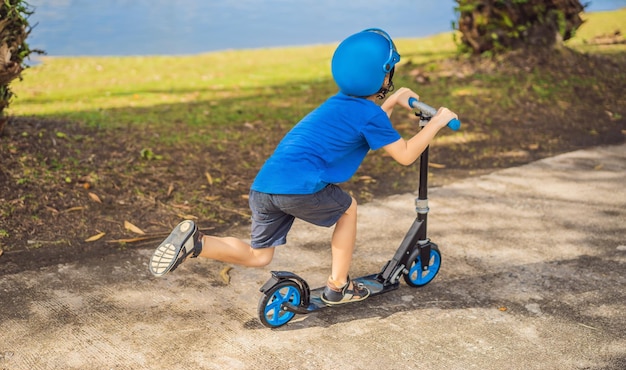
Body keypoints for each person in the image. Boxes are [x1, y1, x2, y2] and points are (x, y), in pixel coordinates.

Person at [149, 28, 457, 305]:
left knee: (259, 256)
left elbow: (368, 128)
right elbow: (404, 154)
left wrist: (390, 104)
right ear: (382, 75)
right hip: (300, 189)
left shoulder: (336, 104)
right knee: (348, 209)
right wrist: (437, 123)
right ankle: (339, 286)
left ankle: (198, 243)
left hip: (265, 186)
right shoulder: (368, 115)